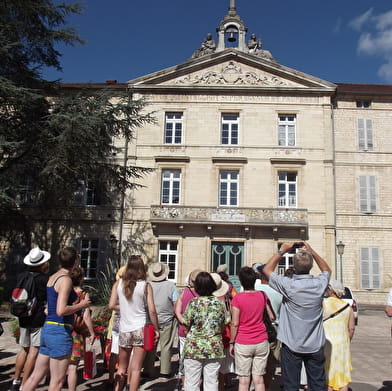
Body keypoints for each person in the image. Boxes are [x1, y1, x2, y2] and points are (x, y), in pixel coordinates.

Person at [263, 241, 331, 391]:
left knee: (291, 385)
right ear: (311, 266)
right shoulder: (319, 284)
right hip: (315, 344)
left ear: (293, 267)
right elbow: (326, 269)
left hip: (291, 343)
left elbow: (267, 269)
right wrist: (311, 251)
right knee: (318, 385)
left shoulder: (289, 285)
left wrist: (282, 251)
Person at [23, 247, 91, 391]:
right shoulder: (66, 280)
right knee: (57, 382)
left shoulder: (52, 277)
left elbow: (50, 308)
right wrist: (82, 305)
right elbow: (61, 310)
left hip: (48, 328)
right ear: (75, 262)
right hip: (60, 330)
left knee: (36, 376)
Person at [108, 255, 159, 391]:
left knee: (122, 367)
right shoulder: (145, 286)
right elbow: (152, 311)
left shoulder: (118, 284)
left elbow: (111, 305)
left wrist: (124, 308)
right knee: (136, 369)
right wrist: (156, 329)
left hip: (124, 329)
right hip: (140, 328)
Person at [10, 247, 50, 391]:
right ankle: (25, 385)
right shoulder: (44, 279)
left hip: (23, 316)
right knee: (34, 352)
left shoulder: (21, 276)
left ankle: (15, 380)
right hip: (37, 318)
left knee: (24, 350)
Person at [180, 271, 228, 391]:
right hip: (214, 346)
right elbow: (224, 324)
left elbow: (186, 323)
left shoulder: (193, 303)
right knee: (212, 381)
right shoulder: (220, 303)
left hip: (194, 346)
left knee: (191, 382)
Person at [229, 266, 273, 391]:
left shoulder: (238, 298)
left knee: (244, 380)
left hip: (243, 341)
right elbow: (271, 316)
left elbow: (235, 323)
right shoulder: (262, 295)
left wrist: (232, 342)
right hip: (261, 340)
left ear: (241, 281)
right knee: (259, 379)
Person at [143, 262, 179, 378]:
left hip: (150, 320)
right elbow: (175, 303)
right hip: (167, 319)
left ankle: (148, 369)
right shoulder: (171, 286)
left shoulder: (147, 285)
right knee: (166, 346)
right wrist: (175, 314)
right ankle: (164, 371)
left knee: (151, 346)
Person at [254, 264, 283, 389]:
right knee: (271, 363)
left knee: (256, 362)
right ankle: (266, 386)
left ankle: (255, 385)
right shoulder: (279, 290)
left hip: (256, 327)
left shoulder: (255, 287)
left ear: (259, 275)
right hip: (274, 329)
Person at [66, 267, 95, 391]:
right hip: (76, 333)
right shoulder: (83, 294)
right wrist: (92, 333)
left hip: (62, 330)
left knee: (59, 363)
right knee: (73, 367)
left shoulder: (64, 291)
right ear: (81, 279)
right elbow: (86, 316)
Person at [323, 279, 355, 391]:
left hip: (326, 341)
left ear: (331, 290)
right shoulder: (348, 307)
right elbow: (351, 328)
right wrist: (348, 340)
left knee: (327, 373)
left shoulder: (324, 303)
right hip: (342, 343)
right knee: (342, 376)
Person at [174, 269, 201, 389]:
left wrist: (185, 322)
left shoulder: (184, 293)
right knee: (198, 358)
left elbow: (177, 311)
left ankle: (185, 384)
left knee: (185, 357)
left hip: (184, 331)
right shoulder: (204, 294)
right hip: (199, 332)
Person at [210, 272, 233, 391]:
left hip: (206, 340)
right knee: (221, 370)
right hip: (222, 338)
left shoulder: (200, 300)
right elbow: (228, 320)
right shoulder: (224, 299)